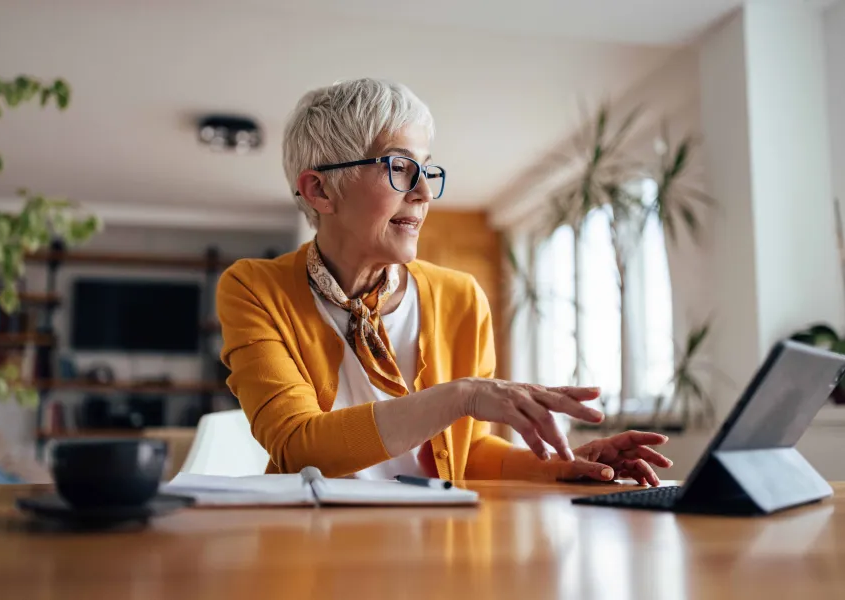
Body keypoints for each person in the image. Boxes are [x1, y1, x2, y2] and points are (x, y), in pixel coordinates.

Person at [217, 78, 672, 484]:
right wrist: (462, 395)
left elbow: (466, 453)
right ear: (320, 190)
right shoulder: (254, 289)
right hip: (307, 545)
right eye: (399, 167)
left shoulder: (461, 297)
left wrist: (562, 463)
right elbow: (298, 447)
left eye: (427, 170)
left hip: (435, 540)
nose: (424, 192)